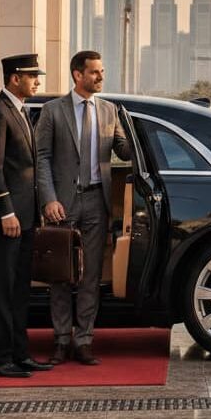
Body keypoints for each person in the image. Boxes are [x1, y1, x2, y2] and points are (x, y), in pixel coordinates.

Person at [35, 50, 131, 366]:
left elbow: (123, 149)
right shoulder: (52, 111)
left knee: (90, 275)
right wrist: (49, 199)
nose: (101, 76)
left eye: (102, 71)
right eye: (94, 72)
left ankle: (84, 340)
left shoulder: (109, 111)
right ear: (78, 74)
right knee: (61, 274)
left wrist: (141, 139)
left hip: (95, 201)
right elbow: (42, 158)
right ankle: (61, 340)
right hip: (61, 203)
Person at [0, 53, 55, 378]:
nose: (37, 81)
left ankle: (20, 354)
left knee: (20, 290)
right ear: (14, 78)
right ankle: (0, 359)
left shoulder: (21, 111)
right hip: (6, 220)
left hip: (25, 218)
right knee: (1, 291)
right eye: (32, 76)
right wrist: (6, 211)